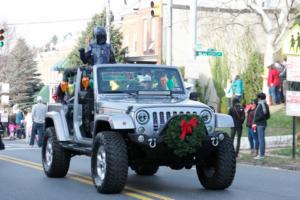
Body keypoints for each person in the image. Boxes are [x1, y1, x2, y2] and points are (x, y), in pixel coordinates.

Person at [253, 92, 270, 159]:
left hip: (260, 124)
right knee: (262, 139)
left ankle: (261, 155)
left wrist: (256, 120)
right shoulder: (265, 104)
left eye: (258, 97)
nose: (257, 99)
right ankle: (262, 154)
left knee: (261, 139)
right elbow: (268, 116)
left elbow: (261, 115)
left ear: (260, 98)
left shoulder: (260, 105)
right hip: (263, 123)